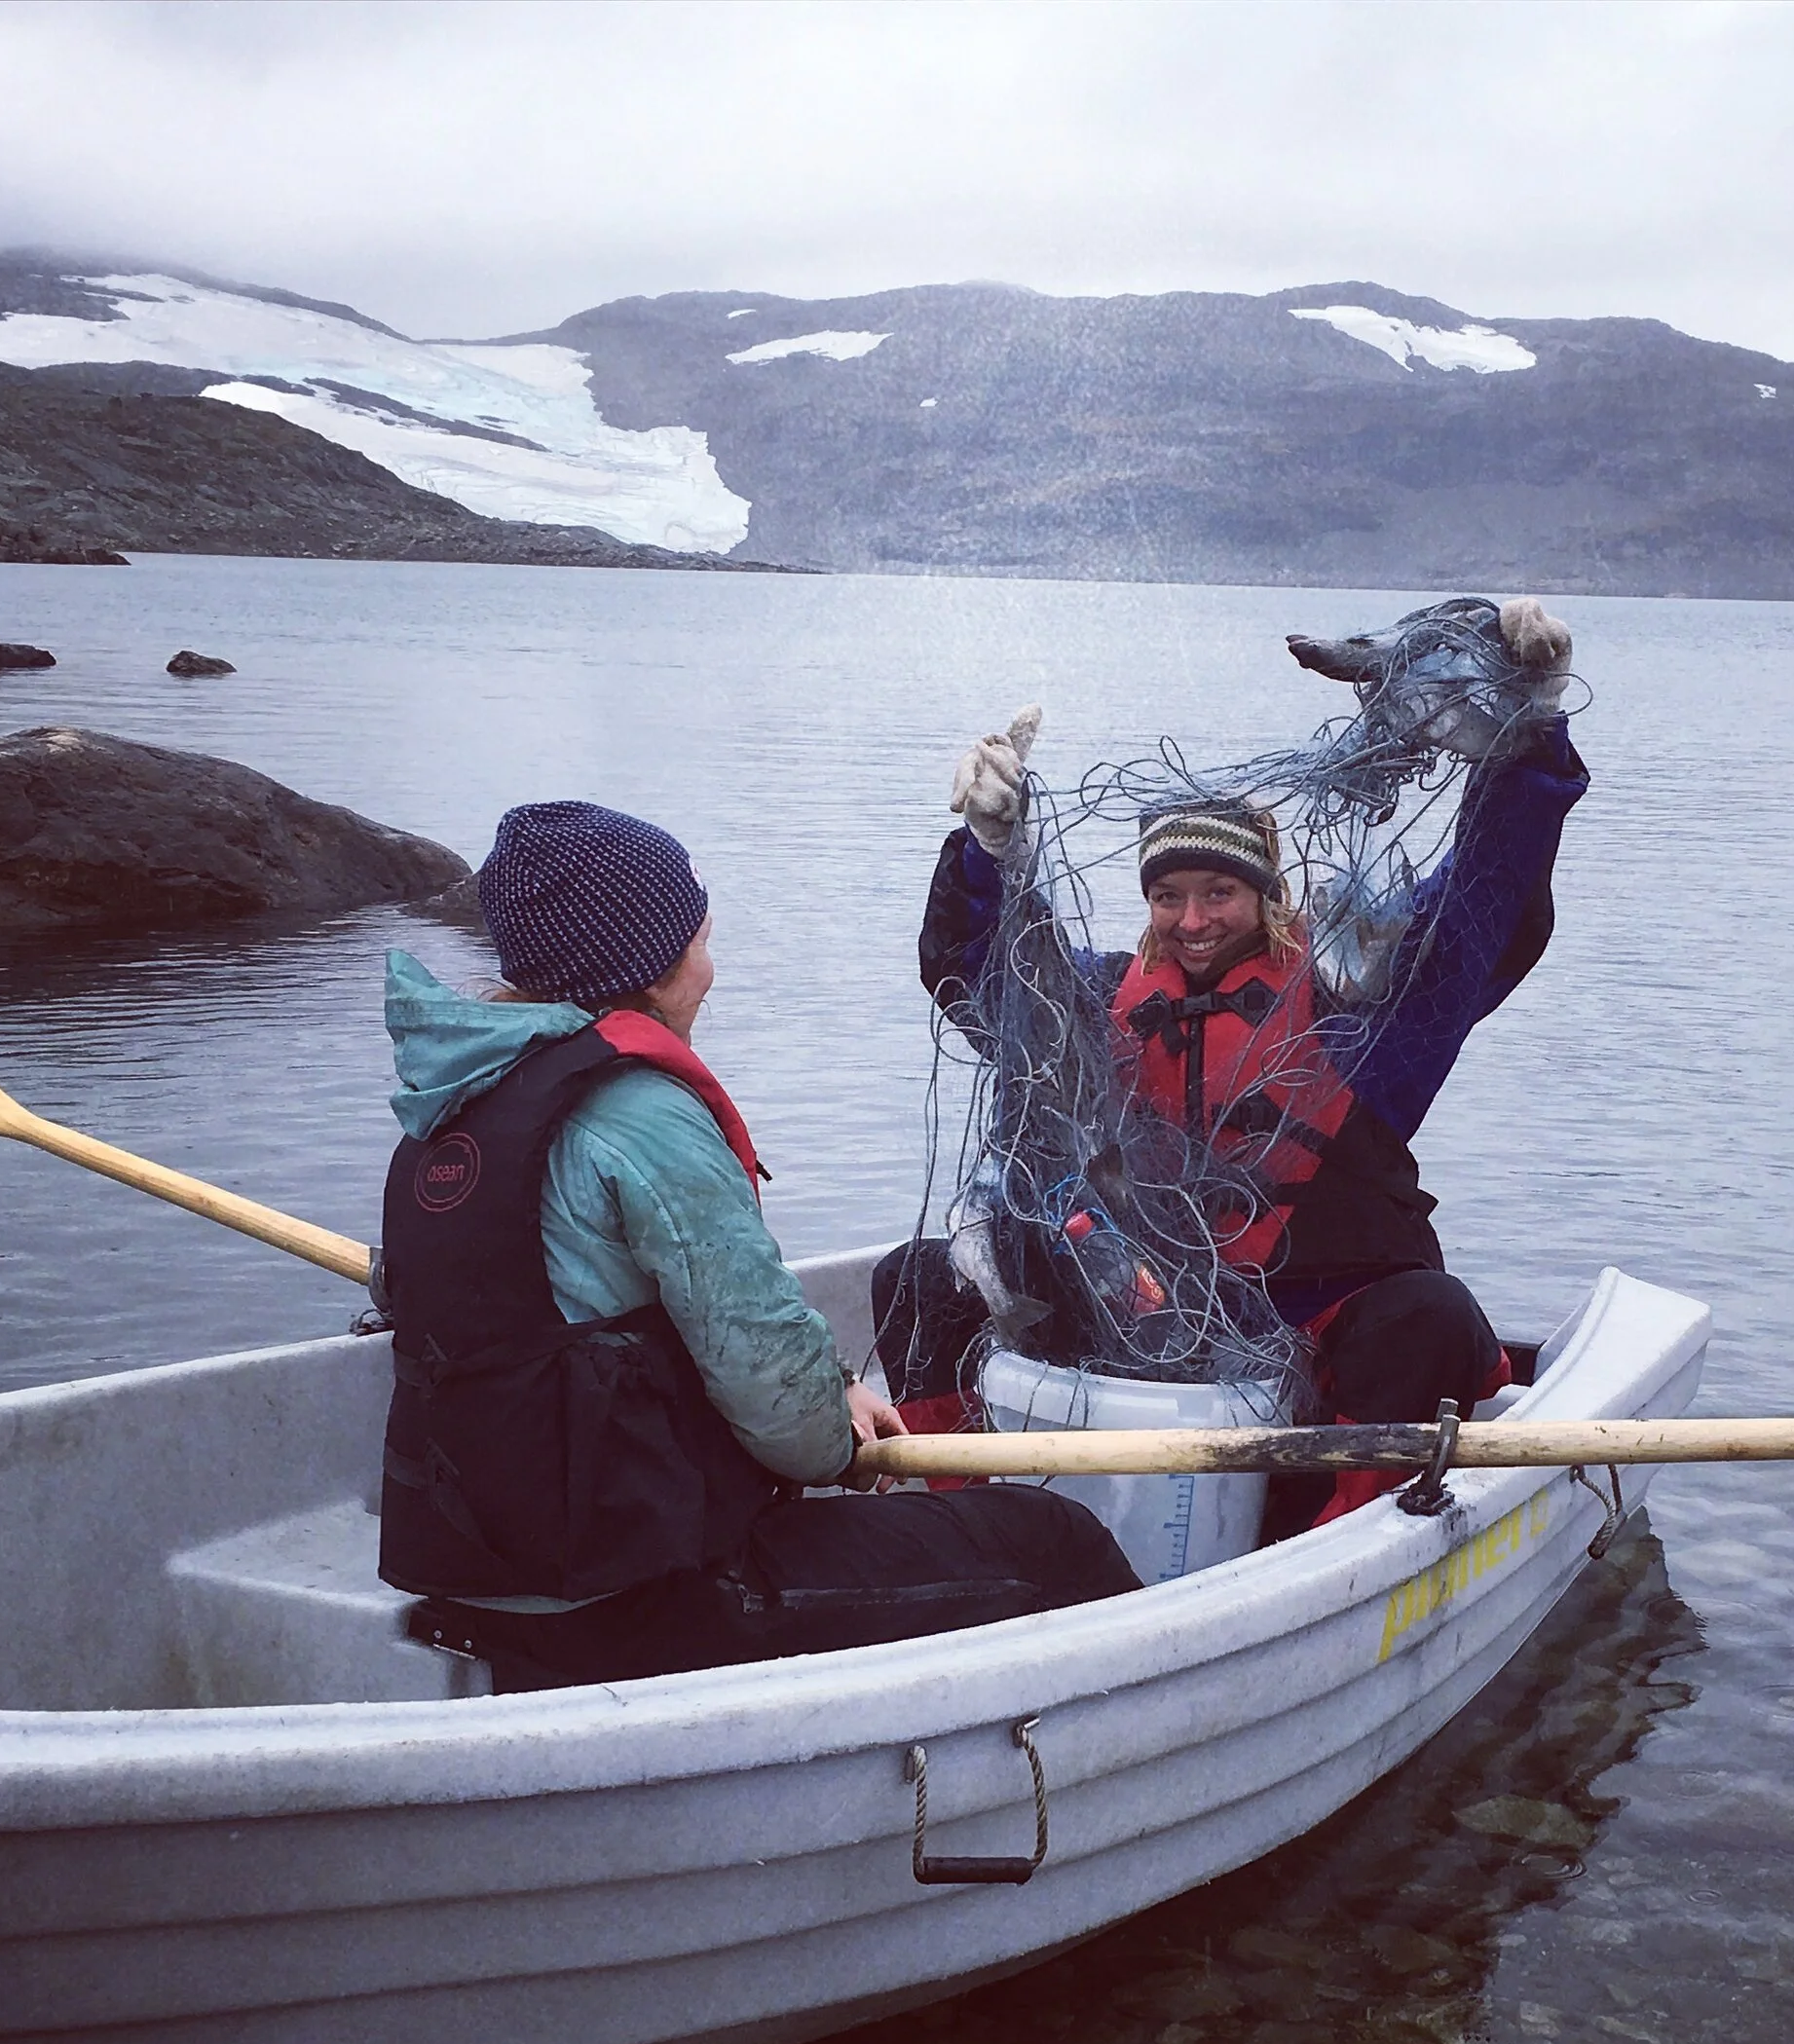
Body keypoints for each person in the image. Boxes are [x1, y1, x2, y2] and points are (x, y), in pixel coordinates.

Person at [376, 797, 1140, 1692]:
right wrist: (832, 1431)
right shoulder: (641, 1115)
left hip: (479, 1573)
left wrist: (835, 1386)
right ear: (648, 968)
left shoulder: (454, 1101)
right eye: (699, 942)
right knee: (1053, 1541)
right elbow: (787, 1418)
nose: (711, 970)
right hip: (640, 1600)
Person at [878, 597, 1588, 1530]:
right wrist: (988, 850)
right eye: (1168, 895)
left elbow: (1477, 911)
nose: (1194, 918)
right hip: (1141, 1310)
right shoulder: (1096, 1002)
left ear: (1268, 897)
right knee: (918, 1278)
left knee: (1433, 1316)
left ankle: (1341, 1538)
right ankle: (956, 1515)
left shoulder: (1357, 1011)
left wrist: (1531, 732)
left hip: (1324, 1320)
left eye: (1220, 891)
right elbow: (982, 978)